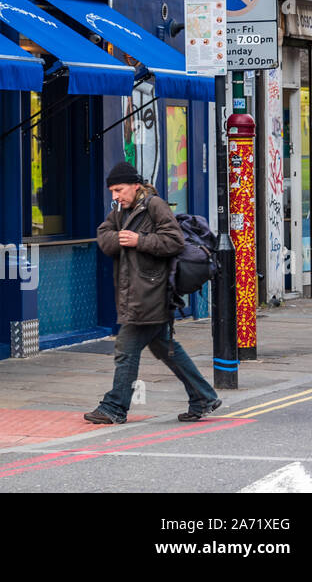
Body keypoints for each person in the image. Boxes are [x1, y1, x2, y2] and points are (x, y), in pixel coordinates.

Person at [84, 161, 221, 425]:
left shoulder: (154, 205)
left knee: (126, 348)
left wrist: (139, 241)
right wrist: (123, 239)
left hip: (152, 293)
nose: (115, 196)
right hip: (136, 293)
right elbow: (104, 236)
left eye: (119, 190)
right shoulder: (123, 210)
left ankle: (114, 406)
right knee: (167, 350)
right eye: (112, 191)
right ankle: (203, 396)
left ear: (136, 186)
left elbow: (173, 241)